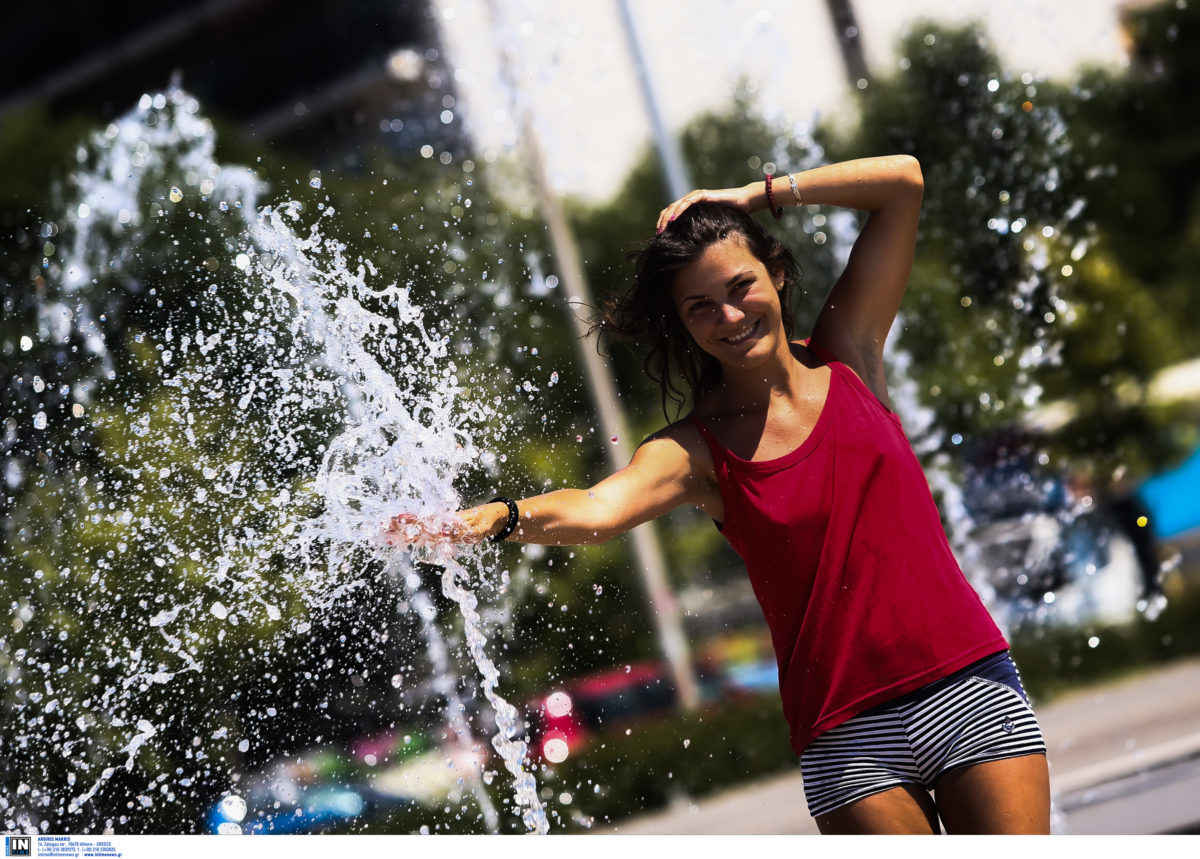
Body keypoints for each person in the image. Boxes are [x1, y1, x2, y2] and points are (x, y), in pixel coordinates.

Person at [387, 156, 1051, 834]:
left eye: (741, 286)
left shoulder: (850, 353)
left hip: (969, 687)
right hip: (848, 737)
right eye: (701, 307)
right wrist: (502, 516)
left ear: (778, 273)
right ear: (683, 323)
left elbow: (904, 181)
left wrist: (748, 197)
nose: (730, 316)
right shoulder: (697, 449)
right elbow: (598, 508)